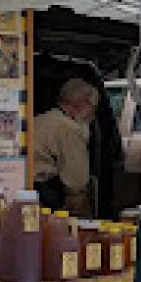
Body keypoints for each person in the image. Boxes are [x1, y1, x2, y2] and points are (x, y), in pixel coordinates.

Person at [32, 78, 98, 217]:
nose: (92, 115)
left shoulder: (42, 119)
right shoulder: (69, 128)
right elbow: (76, 182)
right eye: (93, 107)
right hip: (47, 195)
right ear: (83, 102)